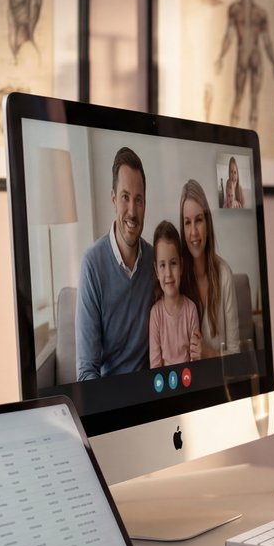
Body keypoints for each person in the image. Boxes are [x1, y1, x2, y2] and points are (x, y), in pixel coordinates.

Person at [76, 148, 155, 380]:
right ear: (113, 198)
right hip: (110, 399)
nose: (132, 210)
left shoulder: (155, 262)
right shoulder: (92, 264)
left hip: (151, 393)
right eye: (125, 197)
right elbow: (86, 371)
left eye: (138, 200)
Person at [180, 179, 242, 358]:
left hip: (220, 382)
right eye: (187, 222)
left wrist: (208, 353)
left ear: (207, 223)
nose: (194, 233)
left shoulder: (224, 275)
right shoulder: (178, 279)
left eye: (198, 220)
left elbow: (236, 355)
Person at [215, 0, 274, 129]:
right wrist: (220, 57)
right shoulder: (251, 12)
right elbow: (266, 42)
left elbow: (231, 36)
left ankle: (239, 143)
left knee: (247, 98)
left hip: (247, 55)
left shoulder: (247, 11)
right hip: (251, 55)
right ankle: (234, 141)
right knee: (247, 99)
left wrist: (221, 57)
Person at [149, 221, 201, 368]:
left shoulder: (191, 309)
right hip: (165, 386)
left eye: (173, 263)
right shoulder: (155, 315)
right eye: (162, 265)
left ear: (181, 266)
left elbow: (195, 360)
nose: (169, 274)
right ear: (156, 271)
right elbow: (155, 365)